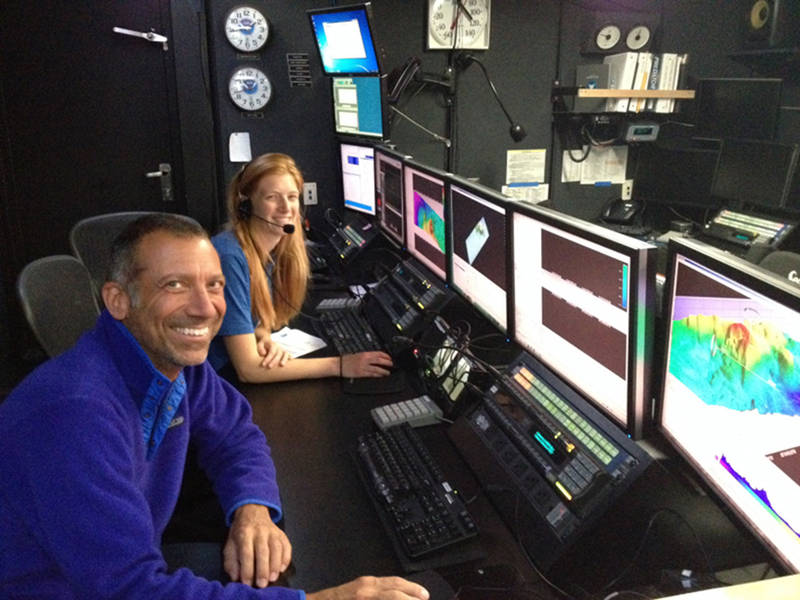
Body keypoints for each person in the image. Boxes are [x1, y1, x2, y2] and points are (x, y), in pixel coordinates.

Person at [0, 214, 428, 600]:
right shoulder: (74, 414)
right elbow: (129, 590)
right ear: (118, 300)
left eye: (214, 284)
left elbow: (236, 432)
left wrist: (252, 510)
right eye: (175, 285)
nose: (205, 308)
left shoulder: (173, 363)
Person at [208, 153, 393, 383]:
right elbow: (249, 370)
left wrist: (261, 335)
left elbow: (253, 318)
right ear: (247, 204)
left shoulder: (267, 250)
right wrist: (340, 364)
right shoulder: (230, 258)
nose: (286, 207)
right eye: (272, 197)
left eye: (292, 197)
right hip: (211, 381)